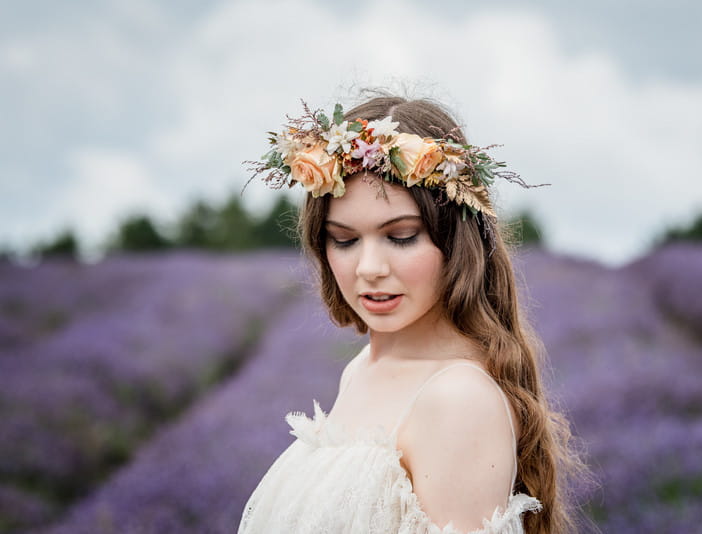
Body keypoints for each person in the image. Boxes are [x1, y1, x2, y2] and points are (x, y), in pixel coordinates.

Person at [238, 93, 584, 534]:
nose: (369, 268)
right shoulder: (361, 369)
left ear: (456, 242)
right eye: (344, 240)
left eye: (401, 237)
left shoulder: (458, 399)